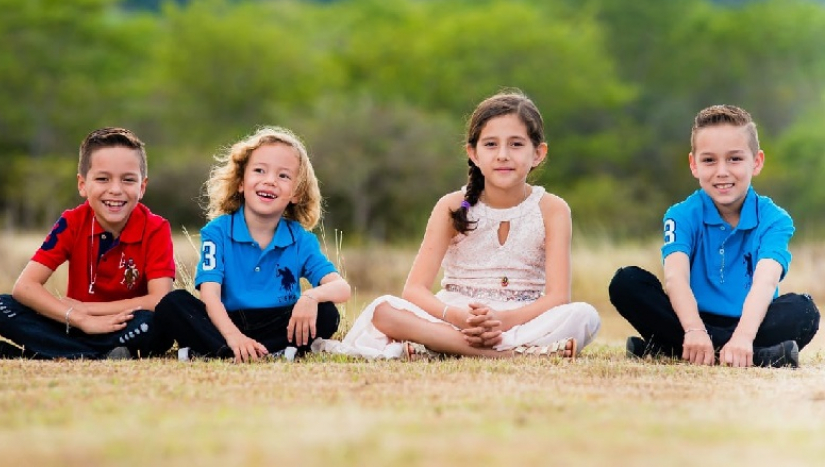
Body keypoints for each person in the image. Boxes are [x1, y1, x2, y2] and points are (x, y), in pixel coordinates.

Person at [319, 89, 601, 360]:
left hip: (521, 317)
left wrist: (501, 321)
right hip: (455, 315)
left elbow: (557, 297)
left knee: (584, 316)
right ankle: (507, 354)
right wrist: (456, 317)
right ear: (473, 153)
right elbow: (414, 289)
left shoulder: (553, 209)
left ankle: (440, 347)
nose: (503, 154)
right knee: (383, 310)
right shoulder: (452, 206)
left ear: (538, 153)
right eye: (491, 144)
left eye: (516, 144)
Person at [609, 104, 820, 368]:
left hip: (750, 322)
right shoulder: (681, 215)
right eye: (709, 160)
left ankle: (670, 349)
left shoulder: (776, 219)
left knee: (805, 312)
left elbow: (765, 282)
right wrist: (695, 331)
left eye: (735, 159)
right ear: (694, 165)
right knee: (626, 283)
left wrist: (743, 336)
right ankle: (760, 356)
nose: (722, 171)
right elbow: (676, 279)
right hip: (690, 319)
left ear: (756, 162)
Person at [155, 126, 350, 362]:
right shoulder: (217, 232)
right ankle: (232, 349)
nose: (270, 181)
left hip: (278, 323)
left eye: (283, 176)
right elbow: (210, 296)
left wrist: (310, 298)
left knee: (327, 313)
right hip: (225, 321)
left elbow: (342, 288)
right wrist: (234, 336)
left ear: (296, 193)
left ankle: (227, 350)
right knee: (173, 304)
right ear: (241, 182)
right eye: (259, 171)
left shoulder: (301, 239)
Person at [0, 127, 176, 360]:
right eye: (103, 179)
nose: (115, 190)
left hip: (124, 326)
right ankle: (94, 356)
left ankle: (44, 353)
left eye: (128, 180)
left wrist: (90, 310)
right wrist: (80, 319)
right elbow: (25, 287)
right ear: (83, 184)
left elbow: (159, 299)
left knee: (152, 326)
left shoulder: (156, 228)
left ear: (142, 187)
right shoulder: (71, 222)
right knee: (0, 307)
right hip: (73, 326)